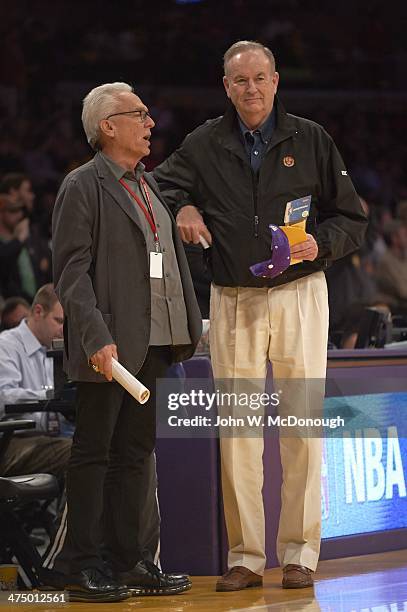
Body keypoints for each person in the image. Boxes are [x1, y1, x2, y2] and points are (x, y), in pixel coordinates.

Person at [154, 41, 367, 591]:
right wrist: (185, 206)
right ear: (225, 86)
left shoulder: (310, 137)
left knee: (300, 426)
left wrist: (316, 245)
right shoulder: (204, 141)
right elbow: (159, 187)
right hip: (233, 295)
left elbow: (352, 219)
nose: (251, 88)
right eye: (239, 80)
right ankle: (246, 557)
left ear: (276, 82)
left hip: (300, 292)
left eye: (260, 78)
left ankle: (300, 554)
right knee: (239, 431)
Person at [41, 82, 202, 603]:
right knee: (95, 454)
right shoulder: (83, 185)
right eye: (140, 115)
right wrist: (95, 336)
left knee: (136, 454)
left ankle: (129, 561)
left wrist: (184, 327)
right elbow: (71, 272)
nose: (151, 124)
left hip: (155, 339)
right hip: (107, 345)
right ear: (107, 126)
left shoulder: (148, 185)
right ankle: (82, 566)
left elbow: (161, 264)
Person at [0, 284, 71, 478]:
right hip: (11, 443)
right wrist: (52, 397)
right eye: (58, 321)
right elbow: (3, 398)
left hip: (51, 437)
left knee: (102, 448)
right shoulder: (6, 346)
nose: (63, 330)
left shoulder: (55, 349)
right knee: (81, 455)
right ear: (38, 311)